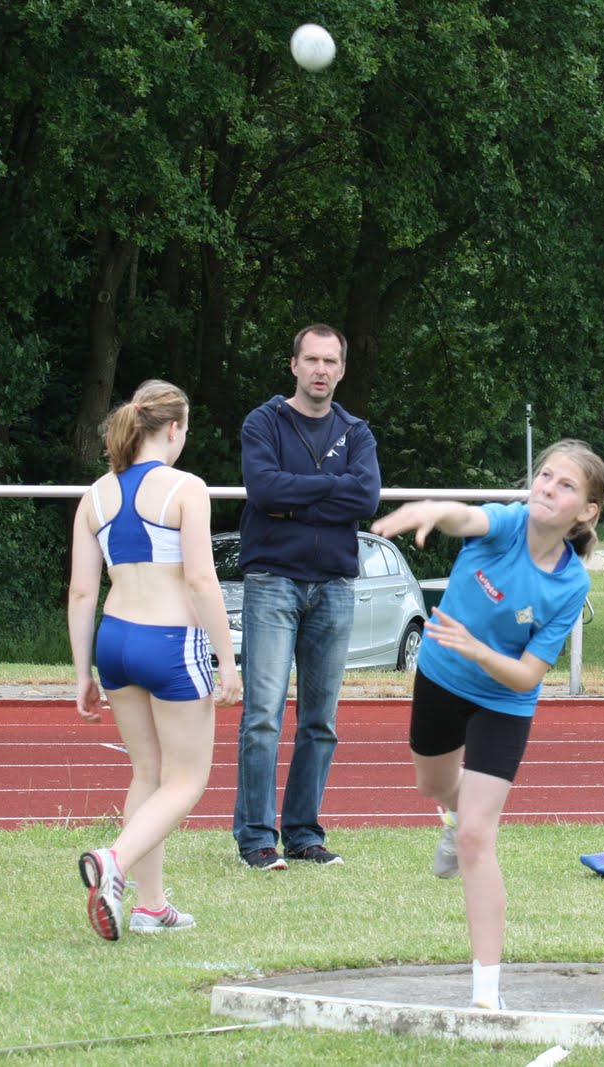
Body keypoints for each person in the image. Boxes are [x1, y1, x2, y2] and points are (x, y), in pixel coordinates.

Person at [371, 439, 604, 1011]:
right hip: (440, 678)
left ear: (586, 511)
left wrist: (477, 649)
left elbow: (526, 676)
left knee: (478, 836)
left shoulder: (571, 584)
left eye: (566, 486)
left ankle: (486, 994)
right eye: (545, 476)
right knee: (432, 786)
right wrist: (432, 510)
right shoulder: (507, 524)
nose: (548, 489)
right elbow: (464, 518)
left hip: (504, 702)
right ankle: (455, 811)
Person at [70, 380, 241, 941]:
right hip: (169, 642)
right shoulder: (186, 487)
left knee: (147, 772)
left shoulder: (95, 495)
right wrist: (227, 660)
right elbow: (200, 579)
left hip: (115, 640)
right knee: (186, 780)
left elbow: (81, 593)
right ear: (173, 428)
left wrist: (82, 673)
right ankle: (114, 862)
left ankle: (151, 906)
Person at [232, 324, 381, 870]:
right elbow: (264, 489)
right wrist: (332, 487)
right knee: (262, 717)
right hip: (273, 580)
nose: (321, 369)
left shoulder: (357, 432)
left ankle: (302, 834)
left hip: (335, 586)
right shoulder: (264, 421)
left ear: (342, 369)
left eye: (330, 361)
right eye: (311, 359)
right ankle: (256, 839)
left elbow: (365, 497)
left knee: (320, 722)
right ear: (293, 365)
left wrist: (295, 496)